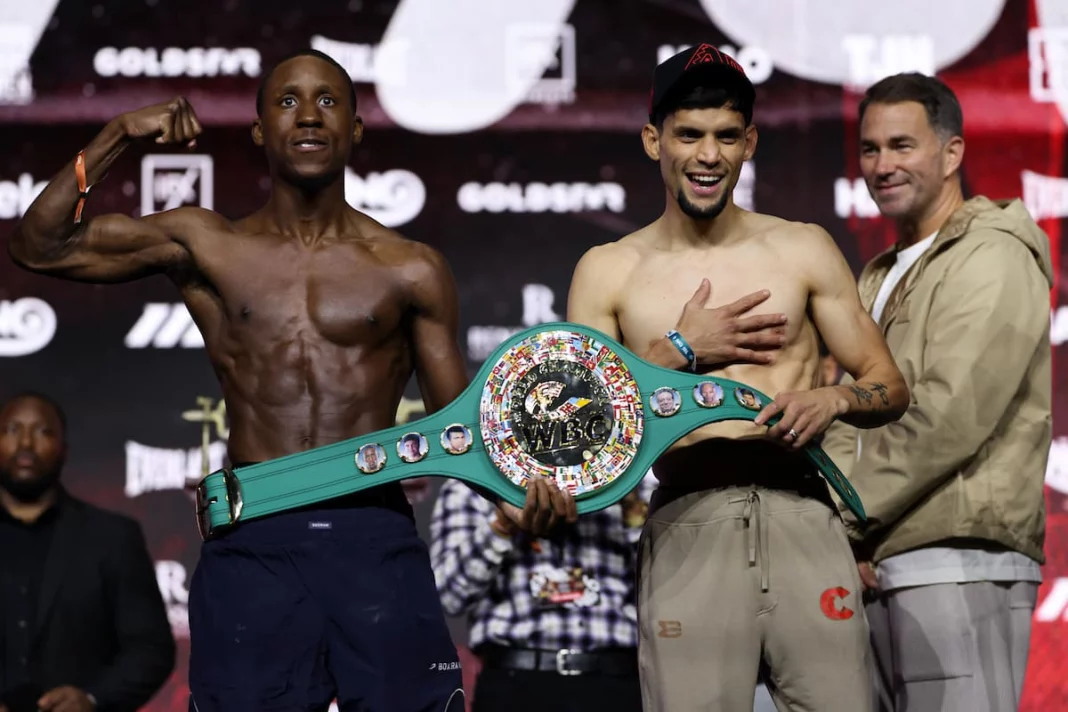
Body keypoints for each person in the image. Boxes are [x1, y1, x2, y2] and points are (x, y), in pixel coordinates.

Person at [8, 49, 574, 712]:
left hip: (375, 541)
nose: (308, 114)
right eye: (287, 100)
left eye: (329, 100)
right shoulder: (205, 243)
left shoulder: (410, 267)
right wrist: (116, 137)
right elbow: (38, 246)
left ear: (358, 129)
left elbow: (462, 427)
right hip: (256, 547)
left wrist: (515, 498)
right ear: (258, 130)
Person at [566, 44, 908, 711]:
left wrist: (835, 395)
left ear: (749, 142)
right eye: (689, 135)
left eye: (726, 136)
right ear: (652, 140)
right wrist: (677, 349)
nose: (708, 155)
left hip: (805, 515)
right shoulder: (607, 269)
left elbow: (887, 384)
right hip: (690, 522)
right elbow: (581, 427)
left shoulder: (801, 247)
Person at [821, 72, 1052, 712]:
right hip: (882, 558)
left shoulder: (992, 255)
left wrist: (835, 515)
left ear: (952, 154)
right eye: (870, 149)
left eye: (902, 145)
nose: (882, 165)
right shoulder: (881, 273)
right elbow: (847, 414)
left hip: (959, 556)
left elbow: (949, 415)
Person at [0, 392, 175, 712]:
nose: (25, 443)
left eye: (42, 431)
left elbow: (150, 649)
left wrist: (93, 698)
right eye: (12, 430)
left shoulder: (111, 537)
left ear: (64, 449)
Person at [430, 474, 657, 712]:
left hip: (616, 680)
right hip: (515, 682)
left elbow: (671, 588)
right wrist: (502, 524)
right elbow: (449, 596)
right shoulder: (472, 485)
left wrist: (630, 503)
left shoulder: (638, 480)